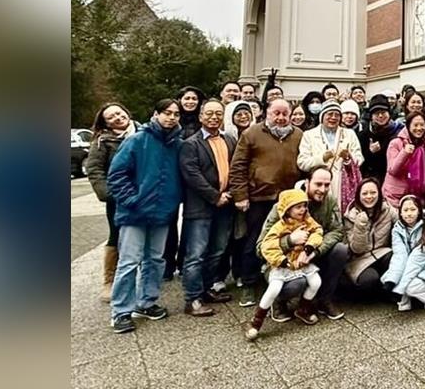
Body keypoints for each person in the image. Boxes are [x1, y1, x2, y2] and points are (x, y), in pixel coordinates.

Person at [105, 99, 184, 334]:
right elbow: (117, 174)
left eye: (176, 114)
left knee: (155, 259)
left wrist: (173, 202)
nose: (171, 117)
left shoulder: (177, 145)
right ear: (156, 114)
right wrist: (132, 200)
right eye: (167, 113)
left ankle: (146, 302)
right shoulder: (137, 140)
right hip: (134, 214)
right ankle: (120, 311)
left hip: (162, 213)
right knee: (129, 261)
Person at [229, 99, 303, 307]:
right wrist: (240, 195)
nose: (280, 118)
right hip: (259, 197)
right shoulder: (252, 133)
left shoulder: (297, 134)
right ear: (267, 114)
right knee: (254, 240)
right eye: (276, 113)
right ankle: (248, 283)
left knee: (285, 241)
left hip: (287, 199)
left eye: (284, 114)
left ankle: (280, 280)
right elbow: (238, 166)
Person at [258, 167, 348, 322]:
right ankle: (279, 302)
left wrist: (312, 251)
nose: (323, 189)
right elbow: (260, 247)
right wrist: (290, 241)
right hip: (283, 262)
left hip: (311, 255)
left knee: (340, 250)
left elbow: (337, 231)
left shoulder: (330, 202)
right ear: (307, 182)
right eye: (318, 184)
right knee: (296, 284)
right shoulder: (282, 206)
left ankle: (322, 300)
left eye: (327, 185)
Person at [178, 99, 236, 317]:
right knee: (196, 254)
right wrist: (215, 196)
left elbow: (235, 169)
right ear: (201, 116)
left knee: (218, 250)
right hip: (201, 207)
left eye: (218, 113)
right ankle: (192, 298)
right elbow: (192, 175)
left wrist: (229, 194)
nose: (214, 117)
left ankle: (207, 288)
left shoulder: (229, 140)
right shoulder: (190, 143)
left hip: (225, 205)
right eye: (209, 113)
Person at [244, 188, 324, 340]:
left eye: (304, 206)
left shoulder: (307, 220)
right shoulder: (279, 226)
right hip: (282, 263)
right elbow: (266, 246)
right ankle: (256, 321)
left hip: (301, 262)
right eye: (298, 206)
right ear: (287, 209)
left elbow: (317, 231)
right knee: (274, 288)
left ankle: (303, 309)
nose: (303, 209)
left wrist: (308, 248)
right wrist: (282, 259)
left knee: (316, 282)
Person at [86, 102, 138, 303]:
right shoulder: (102, 142)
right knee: (116, 236)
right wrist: (110, 194)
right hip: (119, 198)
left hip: (144, 195)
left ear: (126, 112)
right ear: (105, 123)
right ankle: (109, 280)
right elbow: (95, 171)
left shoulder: (142, 132)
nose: (117, 117)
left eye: (119, 113)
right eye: (111, 117)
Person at [383, 195, 425, 310]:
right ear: (400, 212)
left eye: (413, 209)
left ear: (419, 211)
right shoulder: (396, 229)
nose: (409, 213)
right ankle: (406, 299)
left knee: (410, 287)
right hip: (406, 267)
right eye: (405, 210)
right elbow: (400, 255)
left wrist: (400, 289)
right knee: (390, 278)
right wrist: (392, 280)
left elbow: (417, 259)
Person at [296, 100, 363, 213]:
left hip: (343, 184)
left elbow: (359, 159)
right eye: (330, 114)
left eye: (337, 115)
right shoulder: (309, 135)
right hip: (318, 184)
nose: (333, 117)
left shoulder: (349, 134)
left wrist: (348, 158)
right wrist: (322, 158)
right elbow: (302, 163)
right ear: (322, 116)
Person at [341, 178, 398, 297]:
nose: (369, 196)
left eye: (373, 192)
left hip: (382, 253)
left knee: (394, 258)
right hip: (360, 259)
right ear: (358, 196)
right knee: (369, 281)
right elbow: (357, 249)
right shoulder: (351, 216)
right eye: (365, 193)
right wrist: (360, 227)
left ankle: (387, 289)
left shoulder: (387, 210)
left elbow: (402, 221)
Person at [383, 112, 425, 206]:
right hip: (395, 195)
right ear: (408, 126)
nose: (419, 128)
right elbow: (392, 170)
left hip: (416, 195)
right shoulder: (395, 143)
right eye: (415, 125)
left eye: (422, 125)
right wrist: (404, 153)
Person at [362, 94, 398, 181]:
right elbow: (360, 164)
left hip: (392, 181)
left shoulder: (397, 133)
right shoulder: (363, 135)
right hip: (371, 183)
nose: (381, 116)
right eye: (377, 113)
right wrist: (370, 152)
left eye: (383, 112)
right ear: (371, 116)